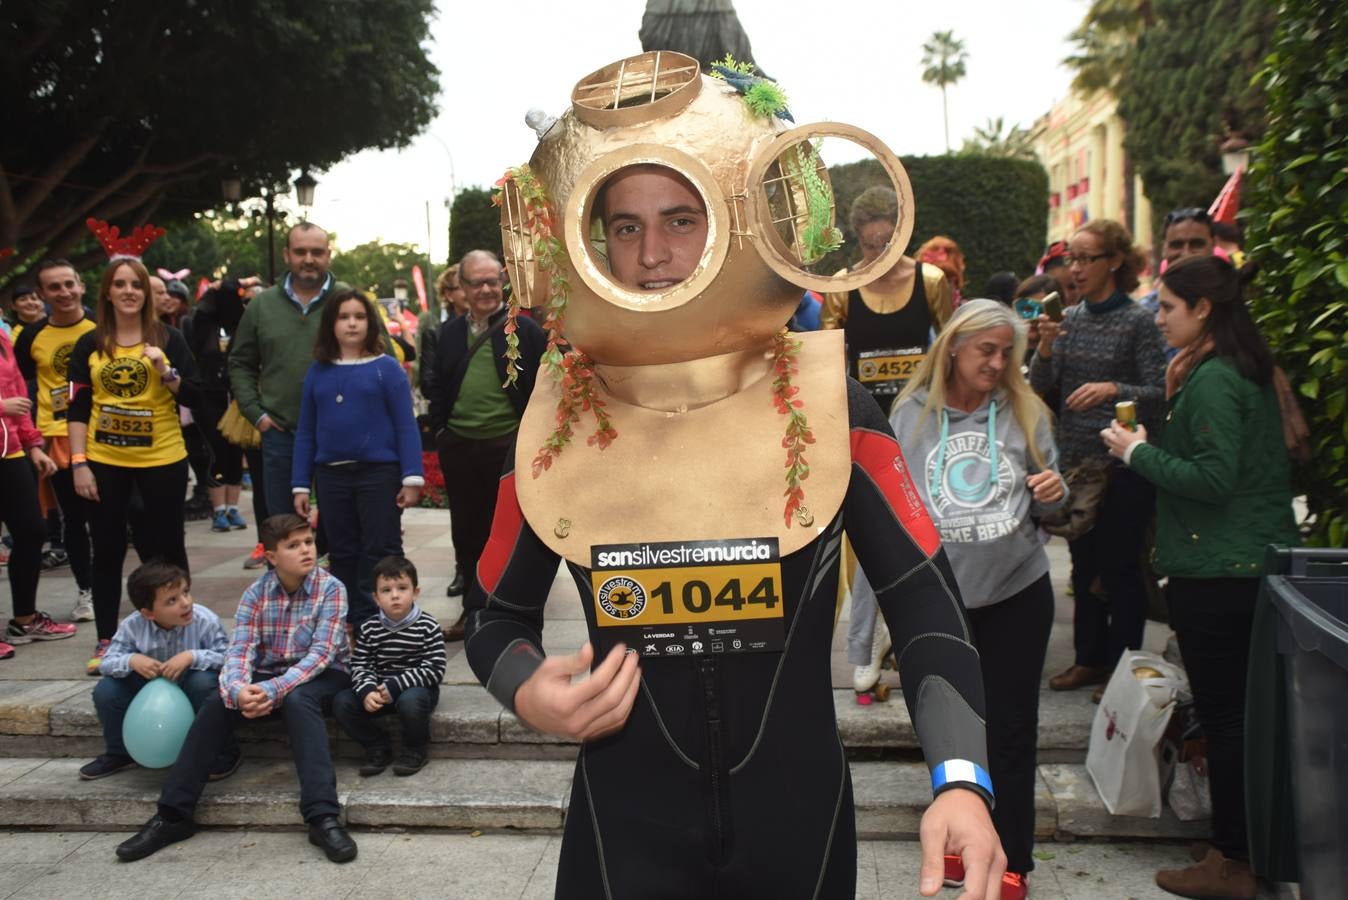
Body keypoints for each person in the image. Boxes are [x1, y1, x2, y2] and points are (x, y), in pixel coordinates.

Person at [464, 54, 1002, 899]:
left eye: (682, 219)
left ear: (744, 220)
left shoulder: (836, 408)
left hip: (798, 830)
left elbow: (926, 603)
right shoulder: (556, 418)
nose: (653, 256)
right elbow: (495, 618)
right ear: (585, 239)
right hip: (623, 834)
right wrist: (527, 689)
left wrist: (962, 781)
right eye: (627, 226)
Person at [1100, 255, 1297, 900]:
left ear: (1203, 309)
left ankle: (1233, 859)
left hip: (1219, 568)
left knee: (1227, 717)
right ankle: (1239, 847)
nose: (1158, 320)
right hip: (1242, 562)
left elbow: (1215, 479)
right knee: (1241, 714)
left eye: (1167, 308)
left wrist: (1138, 452)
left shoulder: (1214, 378)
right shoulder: (1240, 368)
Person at [890, 299, 1067, 899]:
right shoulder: (910, 416)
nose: (996, 363)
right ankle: (963, 837)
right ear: (953, 348)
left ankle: (1012, 857)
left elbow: (1054, 507)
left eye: (1005, 353)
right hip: (944, 600)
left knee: (1013, 727)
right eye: (984, 350)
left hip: (1019, 590)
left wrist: (1052, 492)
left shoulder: (1026, 411)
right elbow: (891, 516)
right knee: (953, 728)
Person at [115, 513, 355, 863]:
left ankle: (322, 817)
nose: (306, 551)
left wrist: (273, 690)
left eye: (309, 542)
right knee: (216, 702)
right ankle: (172, 816)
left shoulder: (331, 589)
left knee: (299, 700)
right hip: (266, 674)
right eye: (293, 546)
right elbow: (240, 650)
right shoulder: (255, 594)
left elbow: (320, 655)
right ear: (271, 556)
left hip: (324, 676)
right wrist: (239, 690)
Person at [1029, 219, 1167, 696]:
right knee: (1084, 565)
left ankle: (1121, 667)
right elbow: (1037, 386)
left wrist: (1113, 388)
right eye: (1071, 258)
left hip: (1124, 465)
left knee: (1120, 568)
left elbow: (1158, 392)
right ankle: (1088, 659)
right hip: (1077, 464)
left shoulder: (1139, 321)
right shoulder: (1071, 318)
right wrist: (1046, 345)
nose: (1076, 267)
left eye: (1086, 258)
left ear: (1114, 261)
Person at [67, 258, 198, 675]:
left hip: (163, 459)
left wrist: (165, 370)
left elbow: (194, 395)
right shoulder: (90, 343)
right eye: (119, 284)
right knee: (105, 549)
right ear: (106, 292)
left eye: (136, 285)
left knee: (167, 552)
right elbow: (76, 409)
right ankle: (109, 640)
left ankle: (181, 635)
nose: (128, 291)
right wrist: (78, 464)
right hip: (105, 461)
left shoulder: (170, 338)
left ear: (146, 293)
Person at [425, 250, 545, 640]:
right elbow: (436, 388)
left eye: (494, 280)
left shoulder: (525, 332)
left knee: (514, 536)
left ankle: (516, 617)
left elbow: (543, 390)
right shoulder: (446, 335)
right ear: (461, 287)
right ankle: (472, 615)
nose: (487, 289)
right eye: (477, 282)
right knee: (468, 533)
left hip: (507, 450)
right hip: (460, 448)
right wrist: (443, 433)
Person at [292, 290, 424, 625]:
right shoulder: (317, 372)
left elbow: (406, 426)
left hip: (379, 474)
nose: (352, 323)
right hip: (332, 476)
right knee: (342, 551)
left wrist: (411, 476)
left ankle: (391, 622)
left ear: (371, 322)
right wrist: (300, 485)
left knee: (382, 548)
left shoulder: (387, 369)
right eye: (343, 317)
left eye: (360, 316)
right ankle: (349, 621)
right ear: (331, 324)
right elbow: (306, 430)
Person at [228, 222, 354, 520]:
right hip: (281, 434)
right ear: (287, 255)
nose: (308, 259)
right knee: (284, 527)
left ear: (328, 255)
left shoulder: (347, 300)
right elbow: (240, 362)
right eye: (300, 251)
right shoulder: (262, 305)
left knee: (342, 529)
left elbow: (380, 357)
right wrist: (256, 414)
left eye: (316, 252)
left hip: (341, 434)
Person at [80, 561, 234, 780]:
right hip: (148, 687)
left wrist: (192, 656)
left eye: (185, 593)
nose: (185, 603)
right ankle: (119, 752)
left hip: (190, 684)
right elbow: (105, 662)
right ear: (149, 613)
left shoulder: (205, 620)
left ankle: (223, 751)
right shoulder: (132, 625)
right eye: (172, 600)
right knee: (107, 691)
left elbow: (229, 658)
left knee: (205, 684)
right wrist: (133, 660)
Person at [14, 259, 97, 623]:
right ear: (43, 294)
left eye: (68, 284)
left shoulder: (101, 325)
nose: (63, 293)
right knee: (73, 519)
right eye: (54, 288)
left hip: (104, 435)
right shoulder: (32, 336)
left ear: (81, 285)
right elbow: (21, 383)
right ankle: (87, 591)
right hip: (57, 437)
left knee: (115, 517)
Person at [821, 186, 954, 404]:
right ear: (859, 239)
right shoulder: (842, 285)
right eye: (869, 246)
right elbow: (827, 359)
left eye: (886, 245)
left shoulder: (931, 280)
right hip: (866, 413)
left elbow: (949, 345)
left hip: (921, 408)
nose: (879, 255)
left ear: (900, 235)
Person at [332, 555, 446, 776]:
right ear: (375, 597)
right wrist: (366, 690)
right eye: (386, 590)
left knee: (411, 701)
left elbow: (435, 668)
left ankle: (415, 749)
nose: (395, 595)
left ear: (416, 592)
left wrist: (397, 685)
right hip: (379, 692)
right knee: (342, 702)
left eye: (402, 588)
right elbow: (361, 664)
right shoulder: (369, 628)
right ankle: (377, 746)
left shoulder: (428, 625)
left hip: (416, 690)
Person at [1, 324, 71, 659]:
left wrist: (33, 445)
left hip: (10, 450)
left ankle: (24, 620)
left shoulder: (2, 336)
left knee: (31, 531)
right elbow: (9, 401)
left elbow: (18, 394)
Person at [185, 280, 251, 535]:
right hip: (208, 396)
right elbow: (203, 311)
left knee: (234, 450)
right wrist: (216, 288)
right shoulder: (201, 324)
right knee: (214, 450)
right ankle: (218, 509)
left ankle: (232, 508)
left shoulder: (241, 325)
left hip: (235, 397)